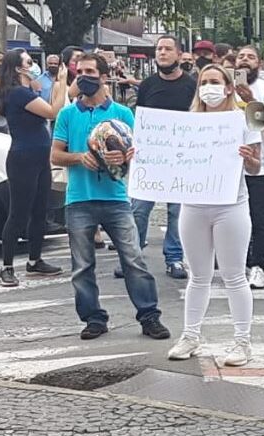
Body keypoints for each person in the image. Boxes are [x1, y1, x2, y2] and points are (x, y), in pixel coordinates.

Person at [50, 53, 171, 341]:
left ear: (104, 77)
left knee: (133, 259)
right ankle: (93, 318)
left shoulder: (121, 114)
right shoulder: (68, 114)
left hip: (116, 198)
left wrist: (126, 157)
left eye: (90, 71)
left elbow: (136, 157)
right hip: (79, 198)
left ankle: (149, 316)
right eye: (80, 72)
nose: (83, 77)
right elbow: (55, 155)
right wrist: (80, 157)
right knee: (82, 265)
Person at [165, 64, 262, 367]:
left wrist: (249, 159)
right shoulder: (189, 122)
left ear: (229, 87)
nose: (209, 87)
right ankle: (191, 335)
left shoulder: (244, 118)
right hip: (194, 204)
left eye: (215, 81)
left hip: (230, 205)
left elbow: (257, 167)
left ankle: (242, 341)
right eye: (204, 82)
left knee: (234, 275)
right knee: (198, 275)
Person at [0, 49, 68, 287]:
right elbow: (52, 111)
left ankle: (35, 260)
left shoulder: (28, 90)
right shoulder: (17, 93)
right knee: (19, 212)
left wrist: (61, 85)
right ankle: (7, 266)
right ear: (18, 68)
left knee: (40, 210)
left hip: (39, 157)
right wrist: (63, 83)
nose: (33, 64)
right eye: (28, 61)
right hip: (23, 158)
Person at [129, 35, 195, 281]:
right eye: (159, 49)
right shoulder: (147, 85)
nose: (162, 53)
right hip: (150, 160)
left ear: (179, 54)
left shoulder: (191, 85)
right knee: (138, 210)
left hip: (181, 160)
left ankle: (174, 258)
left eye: (168, 49)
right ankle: (132, 256)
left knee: (177, 212)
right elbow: (141, 119)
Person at [234, 45, 264, 289]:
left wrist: (250, 100)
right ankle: (237, 262)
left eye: (250, 57)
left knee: (258, 217)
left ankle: (258, 265)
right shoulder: (225, 87)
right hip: (228, 164)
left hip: (258, 164)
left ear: (258, 64)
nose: (245, 60)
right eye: (241, 56)